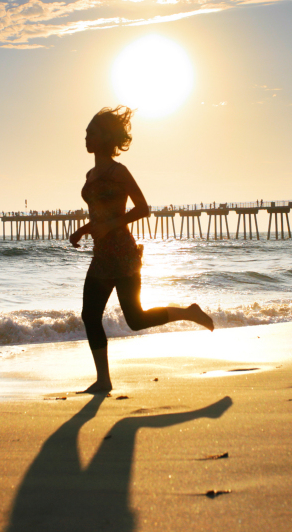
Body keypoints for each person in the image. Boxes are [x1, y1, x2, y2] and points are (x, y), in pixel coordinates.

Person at [70, 106, 213, 393]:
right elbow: (100, 214)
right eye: (86, 133)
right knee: (89, 315)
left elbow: (143, 208)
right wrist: (85, 229)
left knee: (134, 319)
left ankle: (189, 312)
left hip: (123, 254)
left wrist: (110, 226)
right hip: (101, 256)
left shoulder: (118, 171)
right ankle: (103, 379)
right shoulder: (90, 174)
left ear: (105, 137)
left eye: (91, 133)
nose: (86, 137)